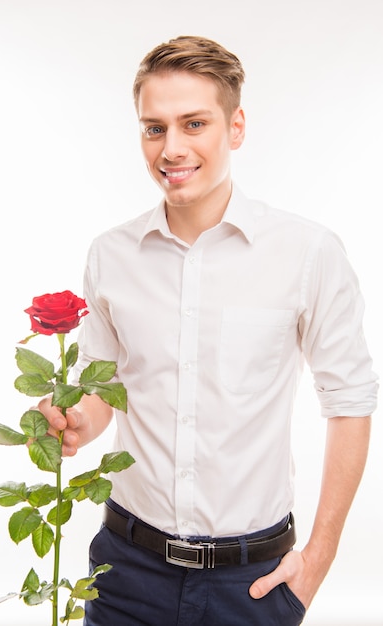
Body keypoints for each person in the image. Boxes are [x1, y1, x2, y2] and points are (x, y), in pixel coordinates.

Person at [39, 35, 378, 625]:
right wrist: (72, 423)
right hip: (124, 571)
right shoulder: (111, 255)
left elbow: (349, 402)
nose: (171, 148)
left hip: (251, 583)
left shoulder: (307, 252)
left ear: (236, 126)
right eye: (154, 128)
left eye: (194, 123)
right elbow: (104, 389)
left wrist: (318, 560)